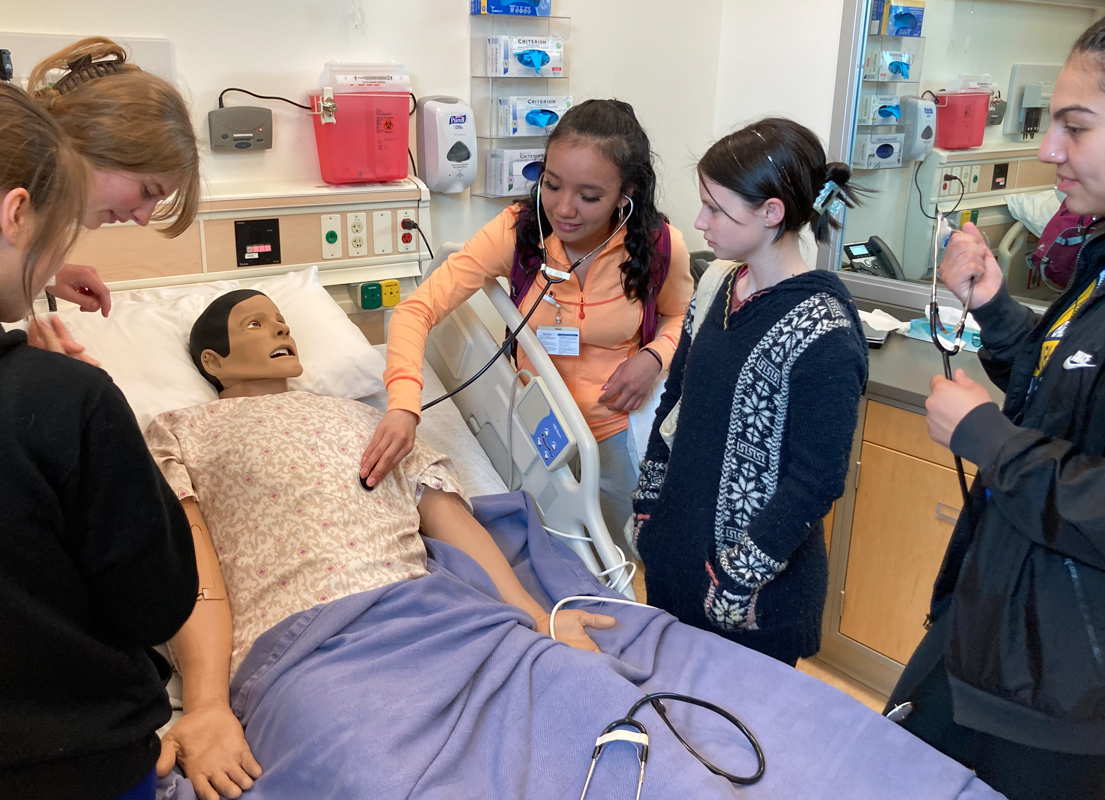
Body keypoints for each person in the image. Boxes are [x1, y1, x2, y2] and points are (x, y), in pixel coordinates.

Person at [146, 290, 615, 800]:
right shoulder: (179, 432)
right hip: (306, 648)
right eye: (256, 324)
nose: (282, 330)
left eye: (282, 320)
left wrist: (533, 614)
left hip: (436, 615)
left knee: (593, 713)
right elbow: (187, 566)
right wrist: (207, 703)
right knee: (374, 775)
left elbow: (441, 510)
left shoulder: (368, 417)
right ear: (213, 361)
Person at [0, 72, 198, 800]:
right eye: (149, 192)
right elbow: (157, 601)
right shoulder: (64, 402)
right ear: (17, 214)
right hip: (78, 765)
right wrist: (97, 418)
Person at [885, 19, 1105, 800]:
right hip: (995, 632)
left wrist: (986, 437)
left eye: (1075, 128)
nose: (1049, 151)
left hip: (1062, 688)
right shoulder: (1099, 263)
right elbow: (1065, 399)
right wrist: (999, 312)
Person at [364, 99, 694, 553]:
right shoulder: (519, 232)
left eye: (589, 196)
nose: (564, 209)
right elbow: (414, 310)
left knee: (626, 555)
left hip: (619, 427)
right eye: (552, 185)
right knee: (550, 556)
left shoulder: (659, 246)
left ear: (626, 192)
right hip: (535, 426)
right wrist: (404, 404)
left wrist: (654, 357)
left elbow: (682, 317)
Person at [629, 118, 868, 666]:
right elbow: (676, 403)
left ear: (771, 212)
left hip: (749, 598)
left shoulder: (824, 331)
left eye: (716, 208)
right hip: (676, 563)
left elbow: (814, 483)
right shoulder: (715, 284)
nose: (700, 221)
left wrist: (738, 577)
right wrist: (649, 508)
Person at [28, 36, 201, 319]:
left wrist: (45, 273)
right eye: (148, 191)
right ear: (91, 142)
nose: (144, 218)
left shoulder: (19, 228)